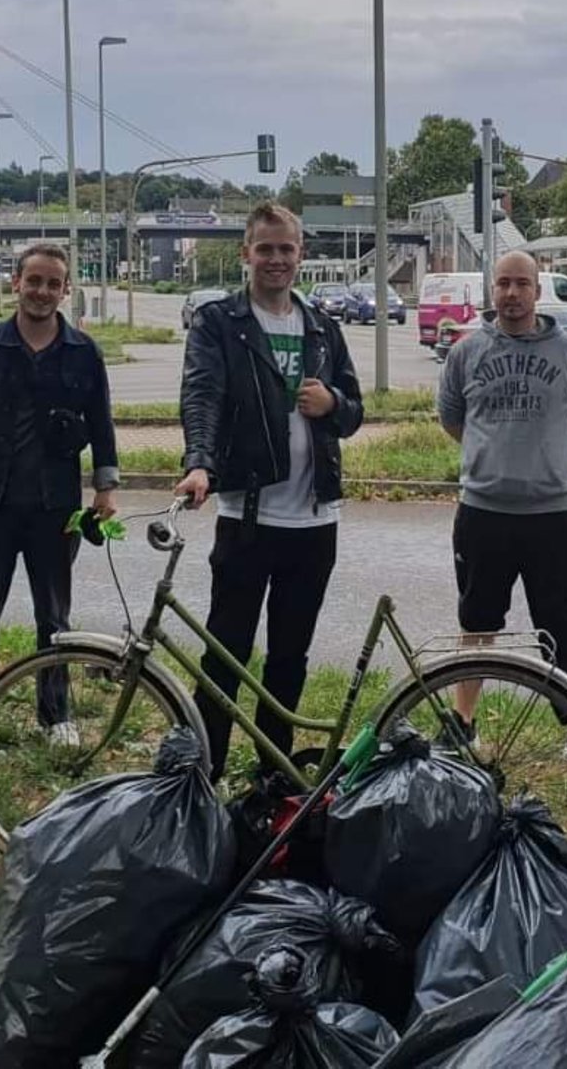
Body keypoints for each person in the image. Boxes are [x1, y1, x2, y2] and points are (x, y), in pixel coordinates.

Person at [174, 202, 364, 781]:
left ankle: (274, 778)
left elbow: (354, 412)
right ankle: (203, 776)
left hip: (314, 522)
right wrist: (200, 464)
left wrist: (333, 405)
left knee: (289, 660)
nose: (276, 259)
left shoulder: (322, 328)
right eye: (266, 249)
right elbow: (201, 396)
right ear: (246, 253)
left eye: (287, 249)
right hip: (248, 519)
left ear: (301, 254)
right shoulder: (219, 323)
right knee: (225, 656)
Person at [0, 242, 120, 764]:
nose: (42, 291)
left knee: (55, 619)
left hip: (54, 509)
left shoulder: (84, 352)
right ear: (15, 283)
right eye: (33, 281)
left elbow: (102, 423)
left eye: (53, 283)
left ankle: (56, 716)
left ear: (66, 290)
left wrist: (105, 487)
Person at [437, 251, 567, 766]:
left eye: (522, 285)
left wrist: (548, 458)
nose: (512, 294)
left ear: (538, 291)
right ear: (493, 290)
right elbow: (452, 419)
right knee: (477, 624)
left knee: (560, 627)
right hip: (483, 512)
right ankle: (461, 726)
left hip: (551, 515)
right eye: (503, 284)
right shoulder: (467, 352)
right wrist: (493, 458)